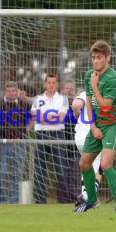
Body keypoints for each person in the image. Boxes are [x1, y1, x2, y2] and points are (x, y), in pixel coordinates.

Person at [73, 40, 116, 213]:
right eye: (93, 58)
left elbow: (105, 107)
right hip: (98, 124)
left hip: (115, 124)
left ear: (107, 58)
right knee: (84, 163)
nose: (95, 61)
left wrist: (95, 86)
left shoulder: (113, 78)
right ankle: (92, 201)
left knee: (106, 163)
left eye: (99, 58)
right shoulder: (89, 74)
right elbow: (89, 102)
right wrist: (93, 127)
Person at [31, 74, 72, 204]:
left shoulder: (63, 99)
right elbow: (35, 117)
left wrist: (44, 118)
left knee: (61, 168)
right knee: (40, 169)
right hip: (41, 135)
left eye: (54, 82)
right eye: (49, 82)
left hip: (57, 135)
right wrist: (51, 117)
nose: (51, 85)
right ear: (45, 84)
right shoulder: (38, 99)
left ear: (57, 84)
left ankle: (63, 200)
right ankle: (40, 200)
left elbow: (60, 118)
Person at [71, 90, 103, 206]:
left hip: (79, 136)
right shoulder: (107, 92)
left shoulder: (86, 92)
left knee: (87, 165)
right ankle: (87, 195)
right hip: (92, 136)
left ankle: (87, 197)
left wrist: (76, 114)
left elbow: (75, 105)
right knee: (101, 166)